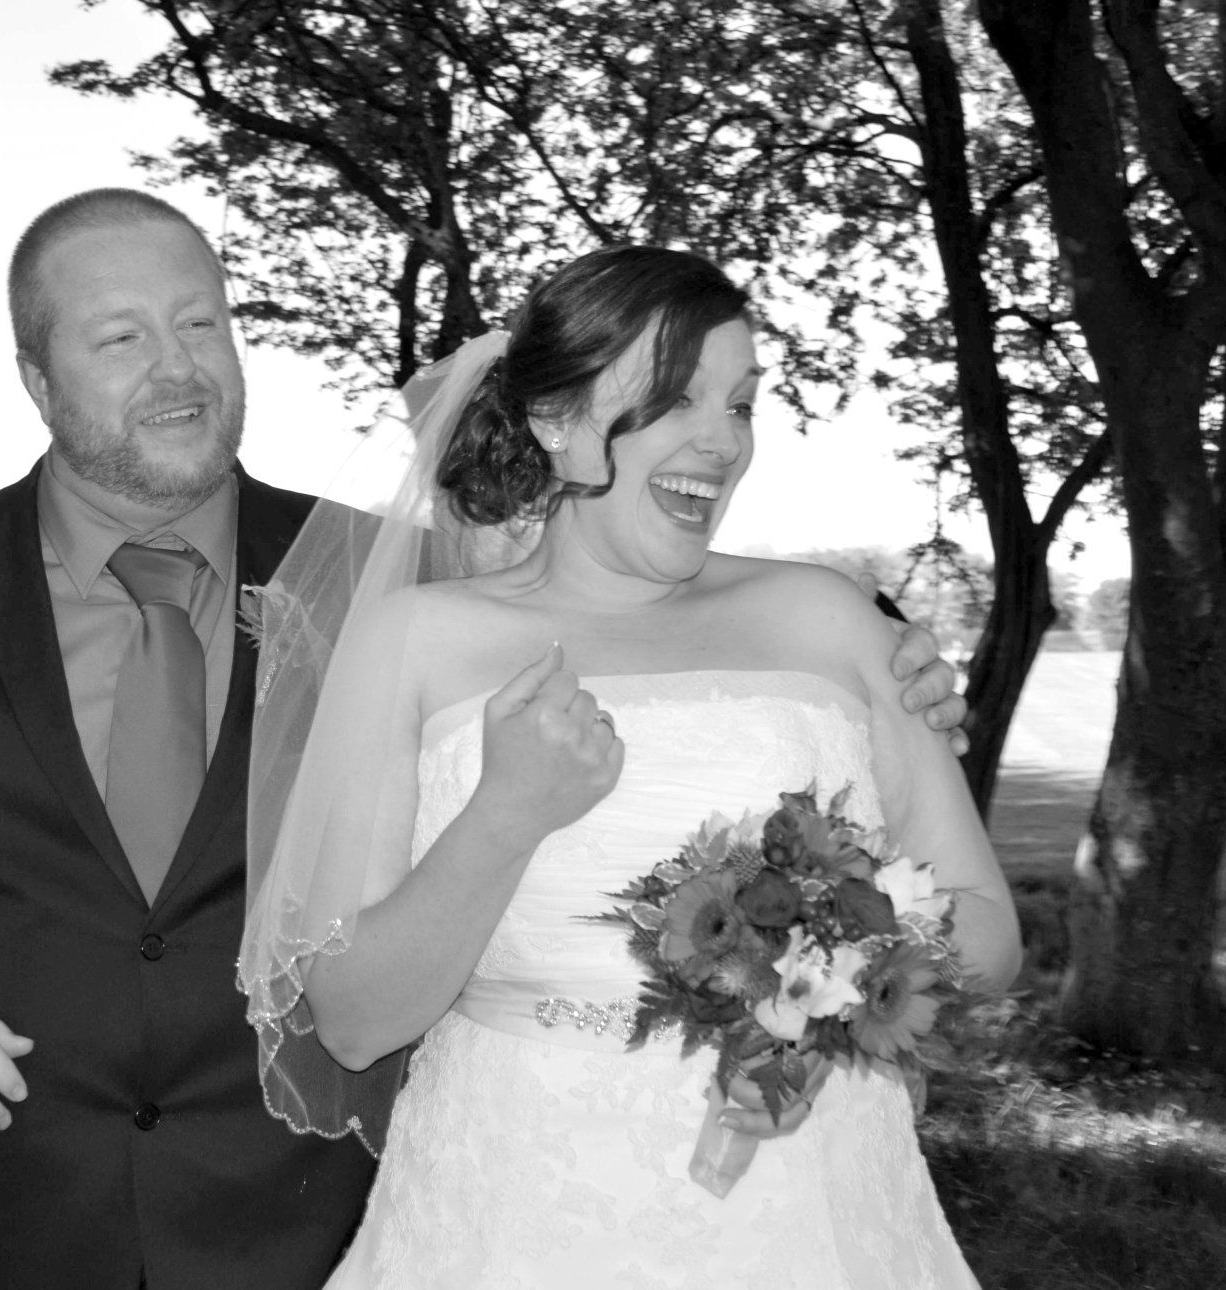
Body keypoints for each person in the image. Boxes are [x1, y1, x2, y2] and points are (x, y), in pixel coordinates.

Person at [0, 189, 970, 1289]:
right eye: (121, 337)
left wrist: (896, 675)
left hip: (300, 1242)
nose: (177, 368)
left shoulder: (404, 582)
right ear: (37, 378)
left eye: (202, 322)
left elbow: (651, 623)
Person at [238, 245, 1022, 1288]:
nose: (724, 441)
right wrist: (508, 815)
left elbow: (989, 928)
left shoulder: (830, 621)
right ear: (554, 418)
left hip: (808, 1204)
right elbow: (352, 1020)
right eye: (675, 397)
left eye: (741, 404)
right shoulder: (415, 643)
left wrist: (829, 990)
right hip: (513, 1211)